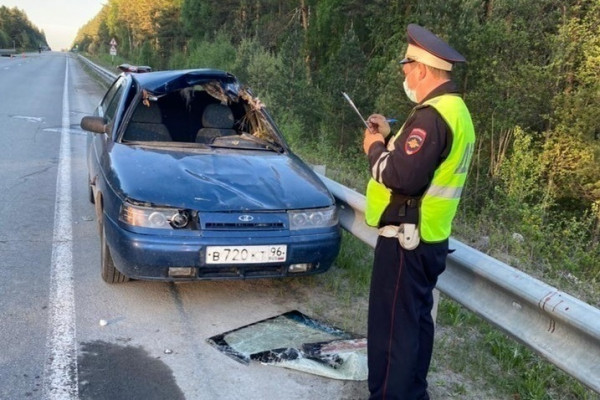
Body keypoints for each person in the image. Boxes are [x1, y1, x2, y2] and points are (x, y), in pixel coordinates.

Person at [362, 24, 476, 399]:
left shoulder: (431, 116)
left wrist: (374, 147)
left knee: (391, 331)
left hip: (405, 241)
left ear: (423, 68)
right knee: (414, 326)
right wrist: (388, 135)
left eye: (406, 65)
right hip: (429, 238)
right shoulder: (455, 111)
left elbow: (401, 176)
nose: (404, 73)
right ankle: (413, 394)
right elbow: (420, 163)